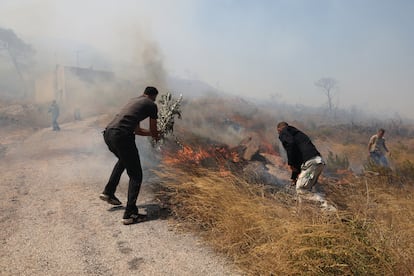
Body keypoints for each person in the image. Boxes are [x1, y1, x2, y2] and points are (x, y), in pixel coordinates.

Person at [100, 86, 160, 225]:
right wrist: (158, 135)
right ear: (153, 96)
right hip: (122, 136)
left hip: (109, 133)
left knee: (123, 160)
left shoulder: (134, 101)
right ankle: (130, 214)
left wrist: (153, 134)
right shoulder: (152, 105)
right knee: (136, 175)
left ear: (144, 93)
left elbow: (137, 130)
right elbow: (153, 130)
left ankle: (108, 191)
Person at [277, 122, 325, 194]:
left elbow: (290, 145)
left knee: (301, 190)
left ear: (279, 129)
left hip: (311, 163)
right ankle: (319, 203)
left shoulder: (284, 132)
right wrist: (294, 178)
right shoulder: (297, 134)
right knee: (306, 190)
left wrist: (290, 163)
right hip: (318, 163)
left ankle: (325, 204)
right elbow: (297, 162)